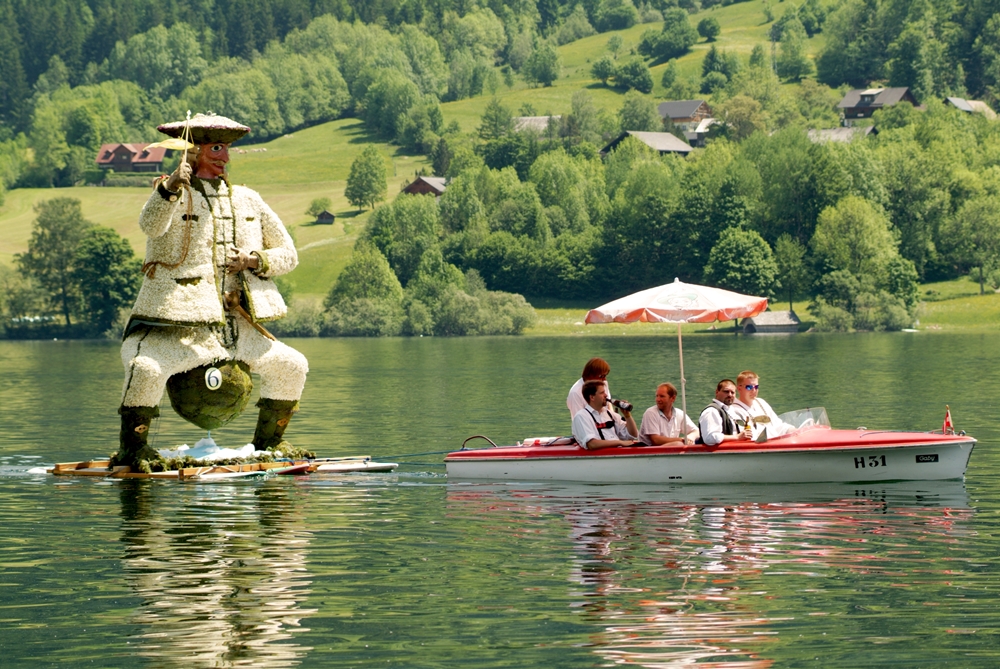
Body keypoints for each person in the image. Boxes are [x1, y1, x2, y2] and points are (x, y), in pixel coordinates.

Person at [115, 113, 309, 469]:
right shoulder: (169, 192)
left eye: (226, 148)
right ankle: (134, 448)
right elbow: (150, 226)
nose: (225, 157)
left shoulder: (250, 200)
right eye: (216, 148)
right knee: (145, 369)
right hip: (177, 330)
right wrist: (172, 186)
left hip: (237, 328)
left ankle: (268, 445)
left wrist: (254, 259)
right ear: (192, 151)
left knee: (292, 366)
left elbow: (289, 254)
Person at [571, 381, 639, 450]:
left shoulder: (611, 415)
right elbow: (592, 444)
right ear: (592, 397)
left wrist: (627, 416)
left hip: (616, 456)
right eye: (602, 393)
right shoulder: (581, 416)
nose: (606, 395)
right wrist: (619, 442)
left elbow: (633, 435)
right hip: (600, 458)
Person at [730, 370, 790, 440]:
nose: (754, 390)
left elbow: (777, 425)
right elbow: (746, 436)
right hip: (757, 446)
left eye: (756, 387)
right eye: (749, 387)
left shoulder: (761, 402)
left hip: (775, 442)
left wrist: (792, 430)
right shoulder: (734, 410)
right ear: (739, 389)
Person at [697, 379, 752, 446]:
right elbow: (710, 438)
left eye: (733, 392)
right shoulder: (711, 411)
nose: (730, 395)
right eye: (726, 391)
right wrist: (737, 437)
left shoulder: (731, 410)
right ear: (717, 392)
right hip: (718, 454)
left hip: (735, 450)